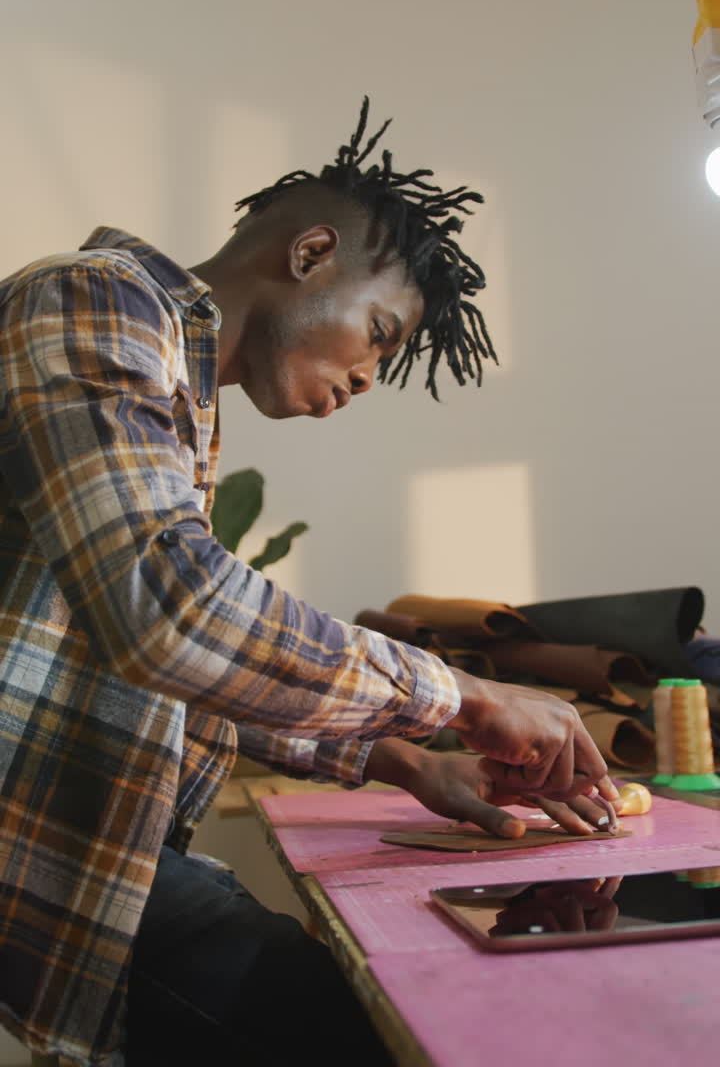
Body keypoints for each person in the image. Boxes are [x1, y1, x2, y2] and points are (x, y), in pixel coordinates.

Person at [0, 99, 618, 1066]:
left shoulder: (171, 381)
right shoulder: (93, 298)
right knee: (344, 1024)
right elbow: (170, 614)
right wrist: (464, 693)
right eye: (379, 331)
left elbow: (152, 670)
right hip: (35, 835)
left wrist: (408, 762)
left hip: (74, 835)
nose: (369, 377)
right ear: (311, 253)